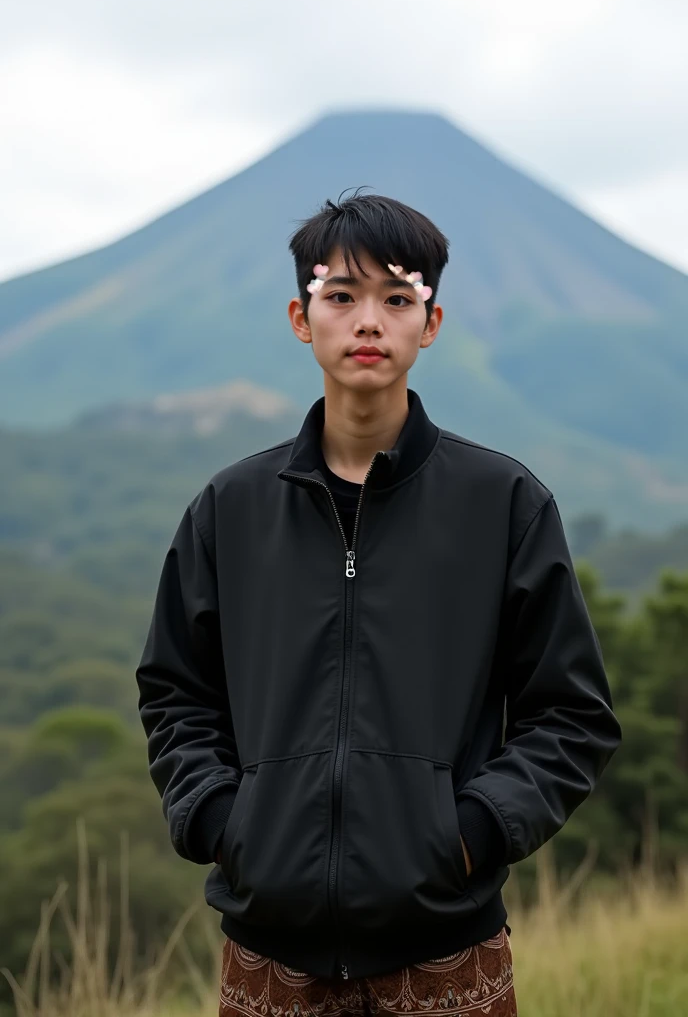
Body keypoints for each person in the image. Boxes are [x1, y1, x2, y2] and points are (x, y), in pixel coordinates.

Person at [136, 189, 622, 1016]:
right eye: (341, 297)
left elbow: (571, 716)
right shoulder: (231, 508)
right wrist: (226, 822)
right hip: (269, 954)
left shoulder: (502, 503)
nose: (369, 322)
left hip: (448, 951)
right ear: (301, 316)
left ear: (430, 324)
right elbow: (175, 692)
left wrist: (469, 835)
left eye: (397, 299)